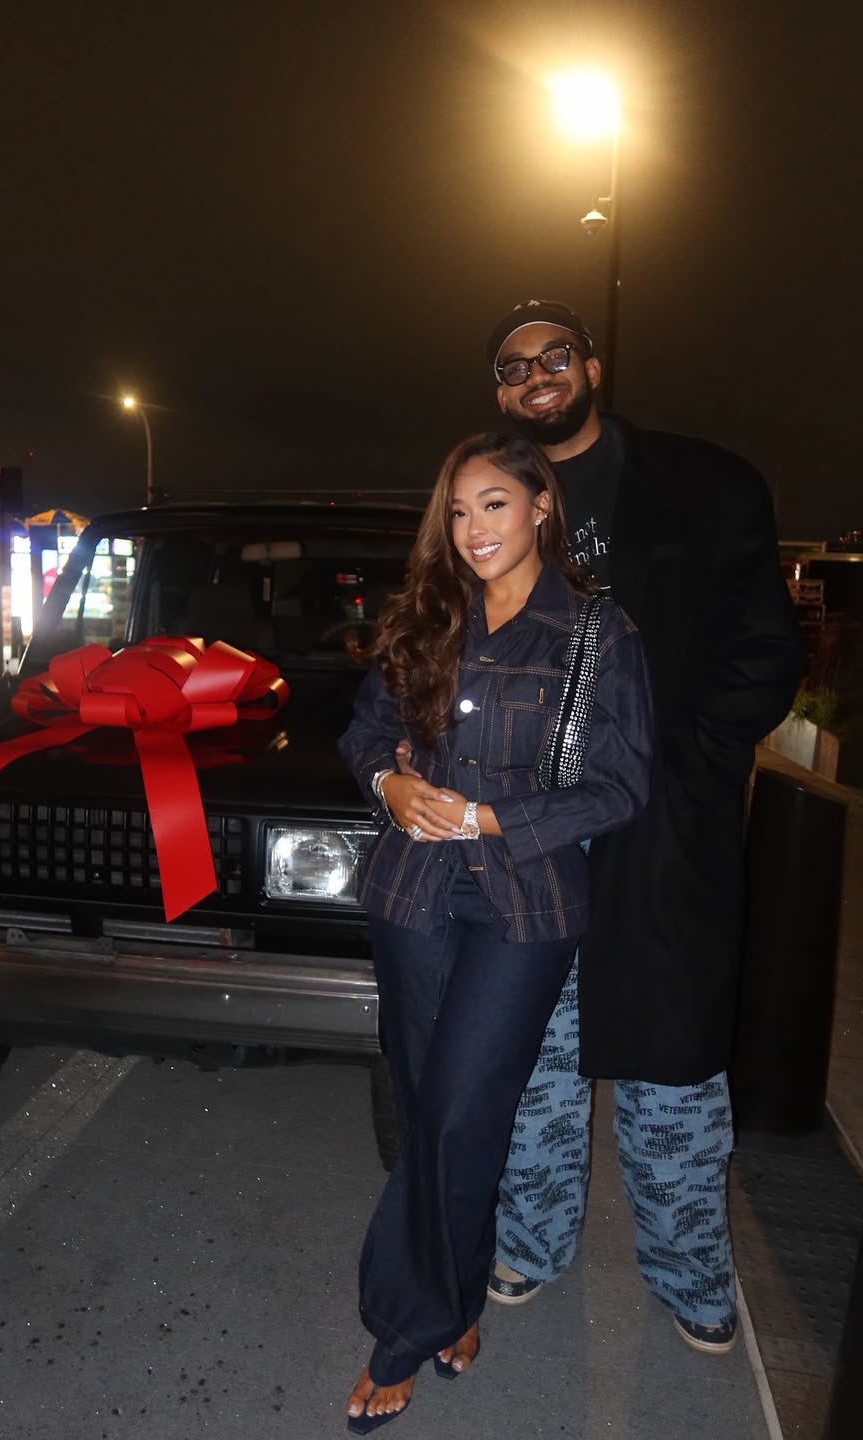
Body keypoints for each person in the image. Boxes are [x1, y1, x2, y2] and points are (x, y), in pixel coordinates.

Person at [480, 299, 804, 1354]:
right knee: (532, 1053)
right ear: (499, 391)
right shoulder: (491, 495)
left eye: (555, 356)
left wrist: (691, 760)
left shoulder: (705, 484)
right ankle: (530, 1240)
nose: (537, 375)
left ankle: (690, 1272)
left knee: (672, 1066)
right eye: (514, 365)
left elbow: (765, 648)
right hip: (533, 829)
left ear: (592, 367)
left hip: (661, 825)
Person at [338, 431, 653, 1432]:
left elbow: (619, 787)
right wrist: (388, 783)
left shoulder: (595, 635)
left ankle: (402, 1328)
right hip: (411, 894)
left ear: (541, 505)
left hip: (524, 901)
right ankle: (456, 1301)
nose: (474, 528)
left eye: (495, 504)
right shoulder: (426, 617)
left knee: (463, 1108)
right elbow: (362, 734)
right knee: (426, 1103)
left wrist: (487, 818)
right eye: (459, 509)